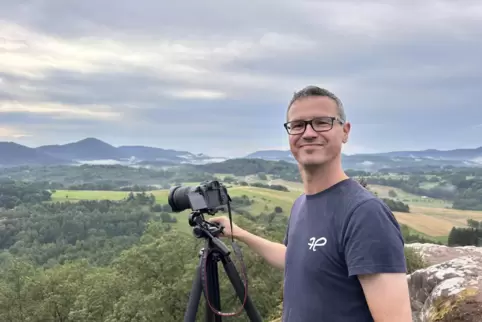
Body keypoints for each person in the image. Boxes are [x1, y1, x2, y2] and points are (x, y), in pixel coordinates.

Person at [209, 86, 412, 321]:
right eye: (298, 125)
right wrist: (237, 233)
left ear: (345, 131)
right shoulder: (301, 205)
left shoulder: (364, 213)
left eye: (322, 122)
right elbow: (295, 258)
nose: (308, 133)